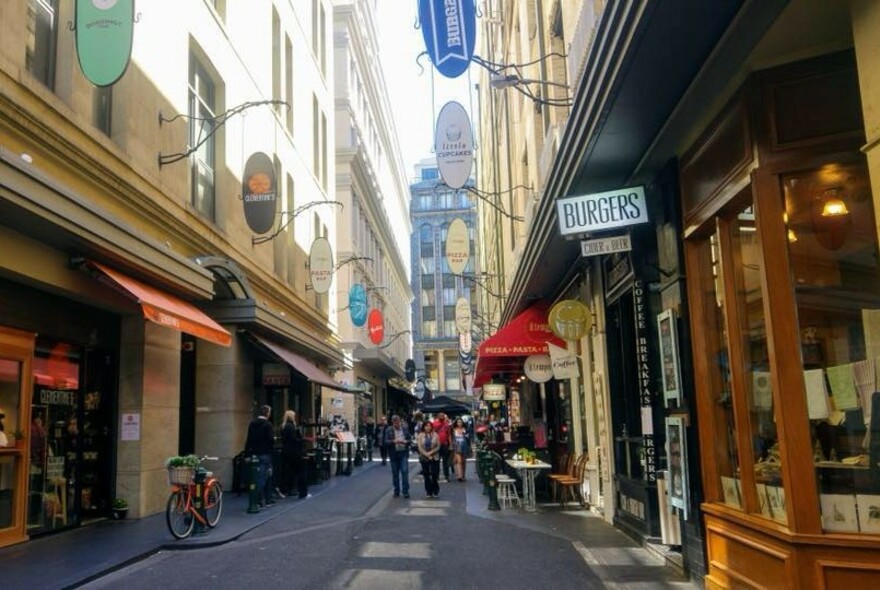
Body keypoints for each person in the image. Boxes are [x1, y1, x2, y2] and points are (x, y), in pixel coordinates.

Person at [245, 405, 276, 507]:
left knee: (258, 476)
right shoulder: (268, 425)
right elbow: (271, 440)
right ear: (267, 413)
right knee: (263, 477)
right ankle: (258, 499)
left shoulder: (252, 424)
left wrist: (247, 453)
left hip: (254, 453)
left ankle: (266, 498)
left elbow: (248, 439)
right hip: (265, 454)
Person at [281, 410, 308, 499]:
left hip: (286, 452)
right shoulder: (291, 426)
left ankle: (290, 489)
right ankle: (302, 492)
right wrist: (301, 440)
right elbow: (294, 439)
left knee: (290, 472)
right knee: (301, 472)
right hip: (295, 452)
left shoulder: (284, 426)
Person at [383, 414, 412, 498]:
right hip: (394, 454)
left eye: (398, 421)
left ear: (400, 421)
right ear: (392, 422)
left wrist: (406, 441)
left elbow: (410, 439)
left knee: (404, 472)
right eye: (395, 422)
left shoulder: (405, 429)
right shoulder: (389, 430)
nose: (397, 423)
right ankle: (396, 491)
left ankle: (405, 491)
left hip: (403, 453)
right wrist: (393, 441)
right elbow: (385, 441)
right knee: (395, 473)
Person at [416, 420, 440, 498]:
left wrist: (431, 453)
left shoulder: (435, 435)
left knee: (434, 474)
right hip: (424, 457)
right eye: (426, 426)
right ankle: (428, 491)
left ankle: (435, 489)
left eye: (429, 426)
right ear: (424, 427)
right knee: (426, 475)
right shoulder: (420, 435)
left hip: (434, 457)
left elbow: (438, 446)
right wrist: (426, 454)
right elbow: (419, 447)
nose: (428, 427)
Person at [432, 412, 452, 482]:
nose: (442, 417)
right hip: (437, 445)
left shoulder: (446, 424)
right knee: (436, 461)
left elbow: (449, 435)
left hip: (445, 444)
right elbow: (432, 433)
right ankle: (436, 476)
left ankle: (446, 476)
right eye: (440, 416)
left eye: (443, 416)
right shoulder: (434, 423)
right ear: (438, 416)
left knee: (445, 461)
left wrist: (450, 444)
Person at [451, 417, 471, 482]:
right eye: (458, 422)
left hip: (464, 445)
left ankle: (463, 475)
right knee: (459, 461)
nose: (459, 423)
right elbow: (452, 438)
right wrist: (452, 445)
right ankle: (459, 476)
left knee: (464, 461)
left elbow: (468, 437)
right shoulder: (454, 429)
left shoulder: (465, 429)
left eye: (460, 422)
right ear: (456, 423)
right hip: (457, 445)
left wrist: (465, 435)